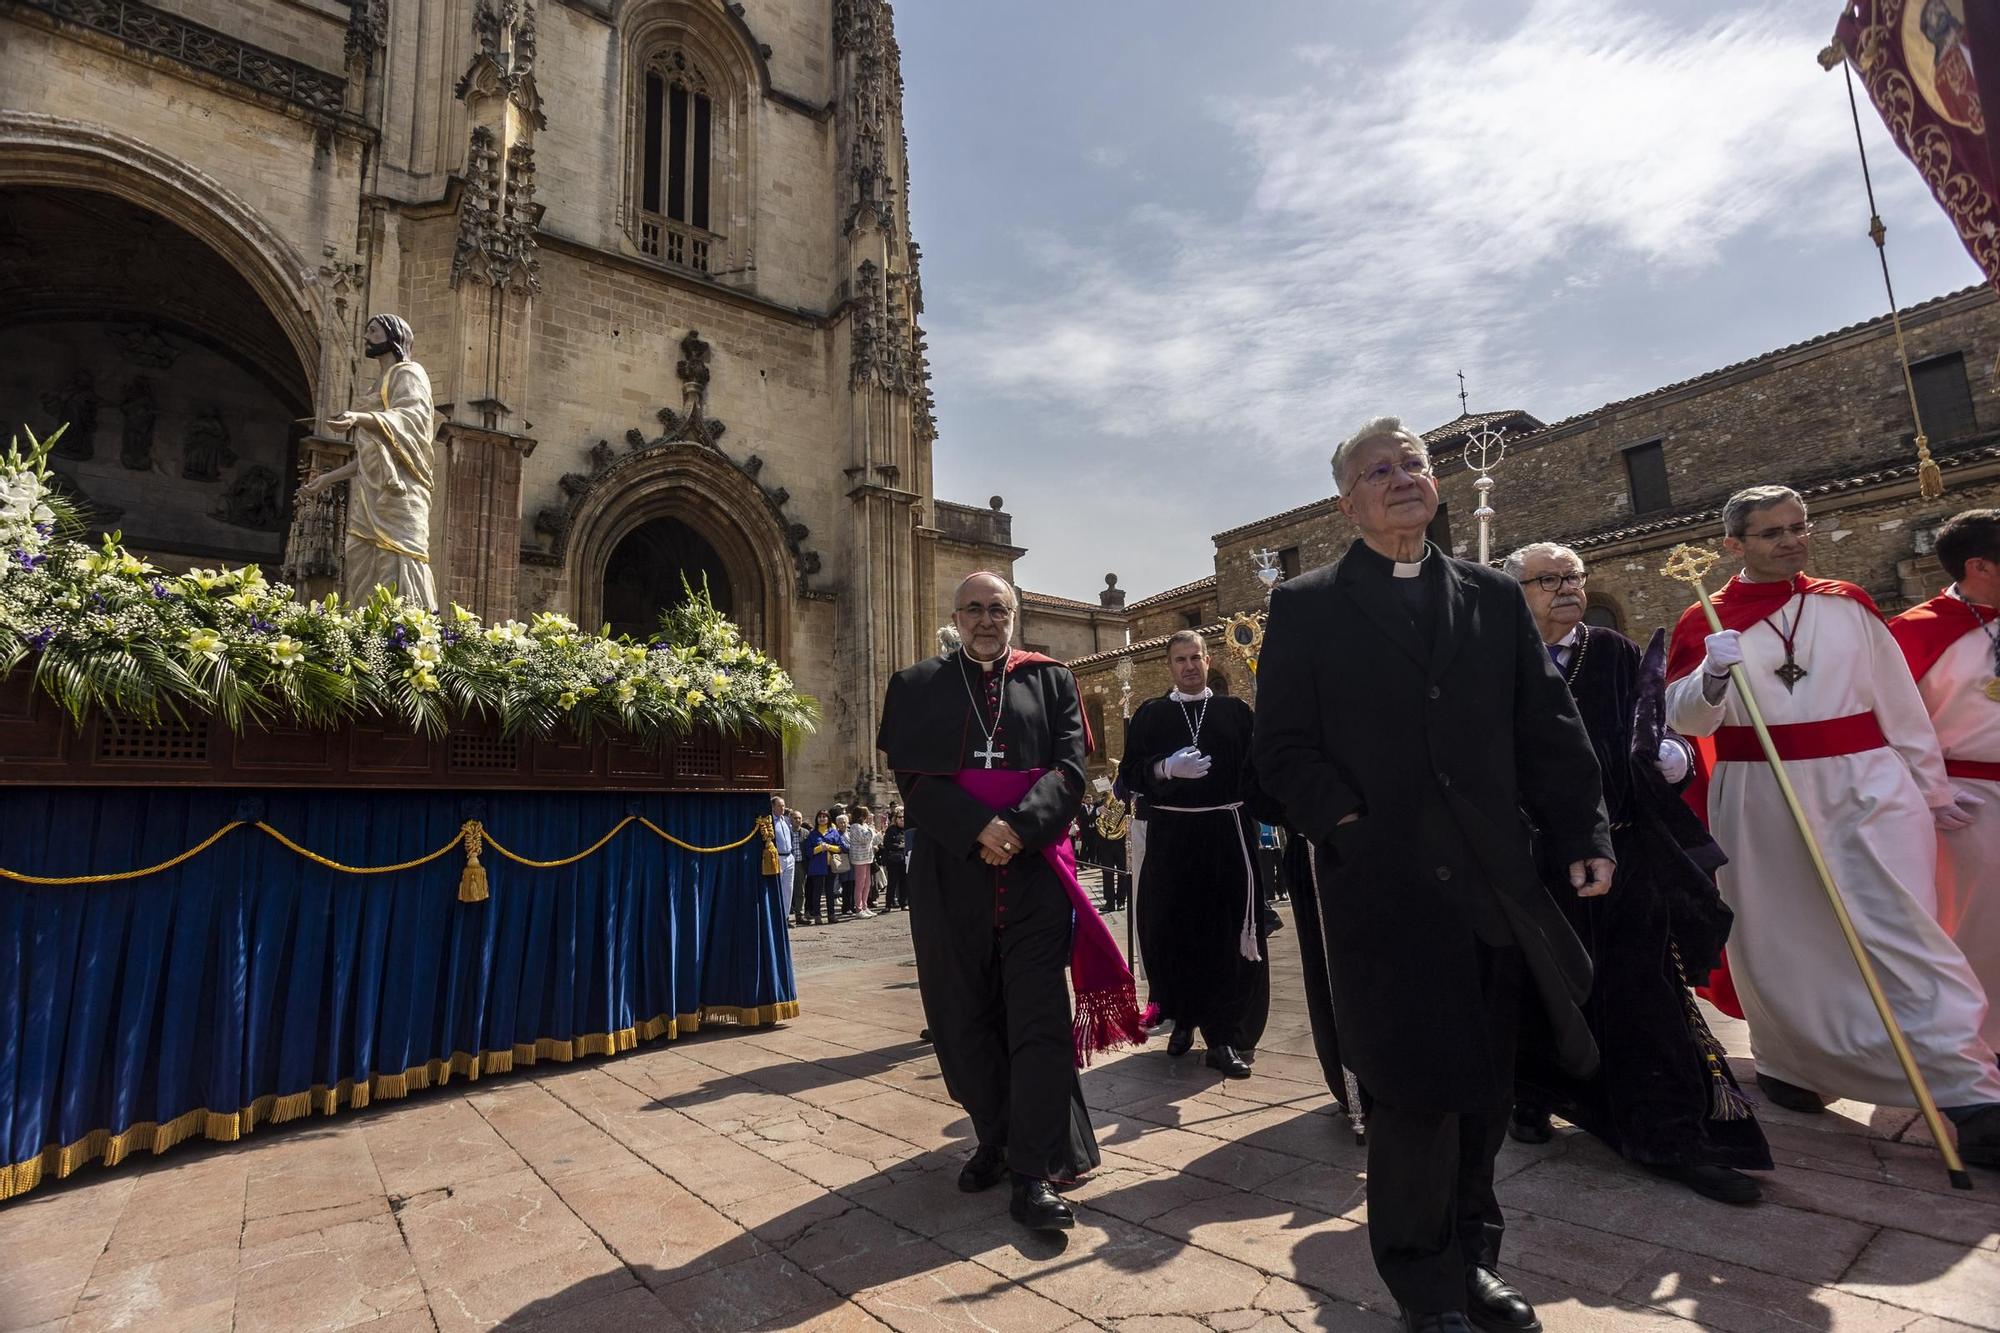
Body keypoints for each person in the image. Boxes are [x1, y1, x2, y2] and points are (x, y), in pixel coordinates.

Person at [1255, 416, 1614, 1333]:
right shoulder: (1307, 606)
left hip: (1495, 882)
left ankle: (1474, 1259)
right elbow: (1283, 750)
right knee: (1413, 1092)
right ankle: (1423, 1281)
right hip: (1384, 888)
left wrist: (1582, 827)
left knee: (1487, 1085)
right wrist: (1346, 823)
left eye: (1413, 462)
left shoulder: (1494, 598)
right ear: (1348, 502)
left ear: (1436, 482)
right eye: (1379, 469)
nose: (1402, 477)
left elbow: (1549, 726)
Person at [1664, 485, 2000, 1164]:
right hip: (1761, 791)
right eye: (1771, 533)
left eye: (1798, 527)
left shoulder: (1847, 603)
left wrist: (1930, 789)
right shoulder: (1706, 618)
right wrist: (1712, 676)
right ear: (1735, 544)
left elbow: (1898, 702)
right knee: (1781, 935)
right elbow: (1685, 719)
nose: (1791, 541)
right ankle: (1794, 1064)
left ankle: (1971, 1091)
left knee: (1903, 930)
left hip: (1868, 782)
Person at [1502, 543, 1771, 1205]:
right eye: (1549, 579)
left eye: (1574, 576)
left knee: (1644, 995)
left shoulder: (1615, 653)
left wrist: (1669, 758)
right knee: (1539, 992)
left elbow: (1653, 728)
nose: (1567, 588)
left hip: (1623, 855)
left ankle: (1667, 1133)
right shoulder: (1491, 666)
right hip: (1532, 866)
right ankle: (1532, 1096)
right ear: (1515, 592)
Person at [877, 572, 1144, 1232]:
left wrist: (1018, 827)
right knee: (961, 1020)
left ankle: (1034, 1171)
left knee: (1038, 1019)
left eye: (999, 608)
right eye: (974, 608)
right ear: (956, 615)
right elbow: (912, 776)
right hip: (950, 871)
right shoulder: (917, 684)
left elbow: (1071, 768)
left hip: (1031, 873)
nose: (987, 619)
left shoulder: (1052, 679)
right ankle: (994, 1136)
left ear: (1014, 614)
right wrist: (978, 827)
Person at [1120, 630, 1281, 1079]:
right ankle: (1181, 1018)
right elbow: (1130, 773)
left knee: (1225, 934)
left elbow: (1258, 772)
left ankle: (1223, 1036)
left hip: (1226, 835)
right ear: (1168, 665)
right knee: (1172, 930)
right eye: (1179, 660)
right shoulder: (1151, 716)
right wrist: (1165, 768)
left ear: (1208, 660)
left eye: (1195, 658)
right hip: (1172, 838)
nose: (1188, 666)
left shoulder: (1235, 713)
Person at [1891, 509, 2000, 1048]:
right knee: (1979, 926)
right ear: (1980, 566)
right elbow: (1886, 722)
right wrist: (1929, 787)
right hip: (1967, 801)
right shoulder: (1915, 631)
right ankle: (1977, 1043)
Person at [300, 313, 439, 608]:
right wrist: (327, 478)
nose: (366, 337)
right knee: (359, 552)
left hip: (402, 489)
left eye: (373, 331)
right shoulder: (374, 387)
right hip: (370, 492)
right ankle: (363, 622)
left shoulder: (408, 373)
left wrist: (357, 417)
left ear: (393, 336)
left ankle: (404, 626)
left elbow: (411, 417)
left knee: (397, 554)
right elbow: (368, 457)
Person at [803, 810, 846, 926]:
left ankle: (831, 914)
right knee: (817, 892)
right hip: (817, 867)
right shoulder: (813, 834)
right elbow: (808, 852)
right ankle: (817, 915)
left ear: (828, 819)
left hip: (830, 866)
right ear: (817, 819)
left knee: (830, 891)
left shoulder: (834, 832)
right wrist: (819, 849)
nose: (822, 819)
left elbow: (841, 848)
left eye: (824, 817)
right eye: (820, 817)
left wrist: (829, 847)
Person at [769, 796, 798, 927]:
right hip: (778, 857)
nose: (783, 808)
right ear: (773, 807)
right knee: (778, 888)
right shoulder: (770, 822)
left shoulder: (786, 820)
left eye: (784, 805)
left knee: (788, 889)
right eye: (780, 805)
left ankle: (785, 917)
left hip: (789, 857)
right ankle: (776, 918)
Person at [849, 805, 880, 914]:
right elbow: (864, 839)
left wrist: (880, 833)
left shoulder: (866, 826)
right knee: (860, 883)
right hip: (859, 858)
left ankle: (865, 906)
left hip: (868, 857)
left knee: (868, 883)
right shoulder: (855, 827)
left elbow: (874, 840)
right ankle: (858, 908)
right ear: (861, 816)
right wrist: (872, 830)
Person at [879, 806, 909, 910]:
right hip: (893, 860)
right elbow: (886, 844)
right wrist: (899, 846)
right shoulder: (891, 830)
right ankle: (888, 905)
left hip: (904, 859)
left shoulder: (906, 829)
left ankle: (903, 903)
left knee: (904, 882)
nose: (902, 819)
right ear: (895, 818)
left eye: (904, 817)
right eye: (900, 817)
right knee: (892, 883)